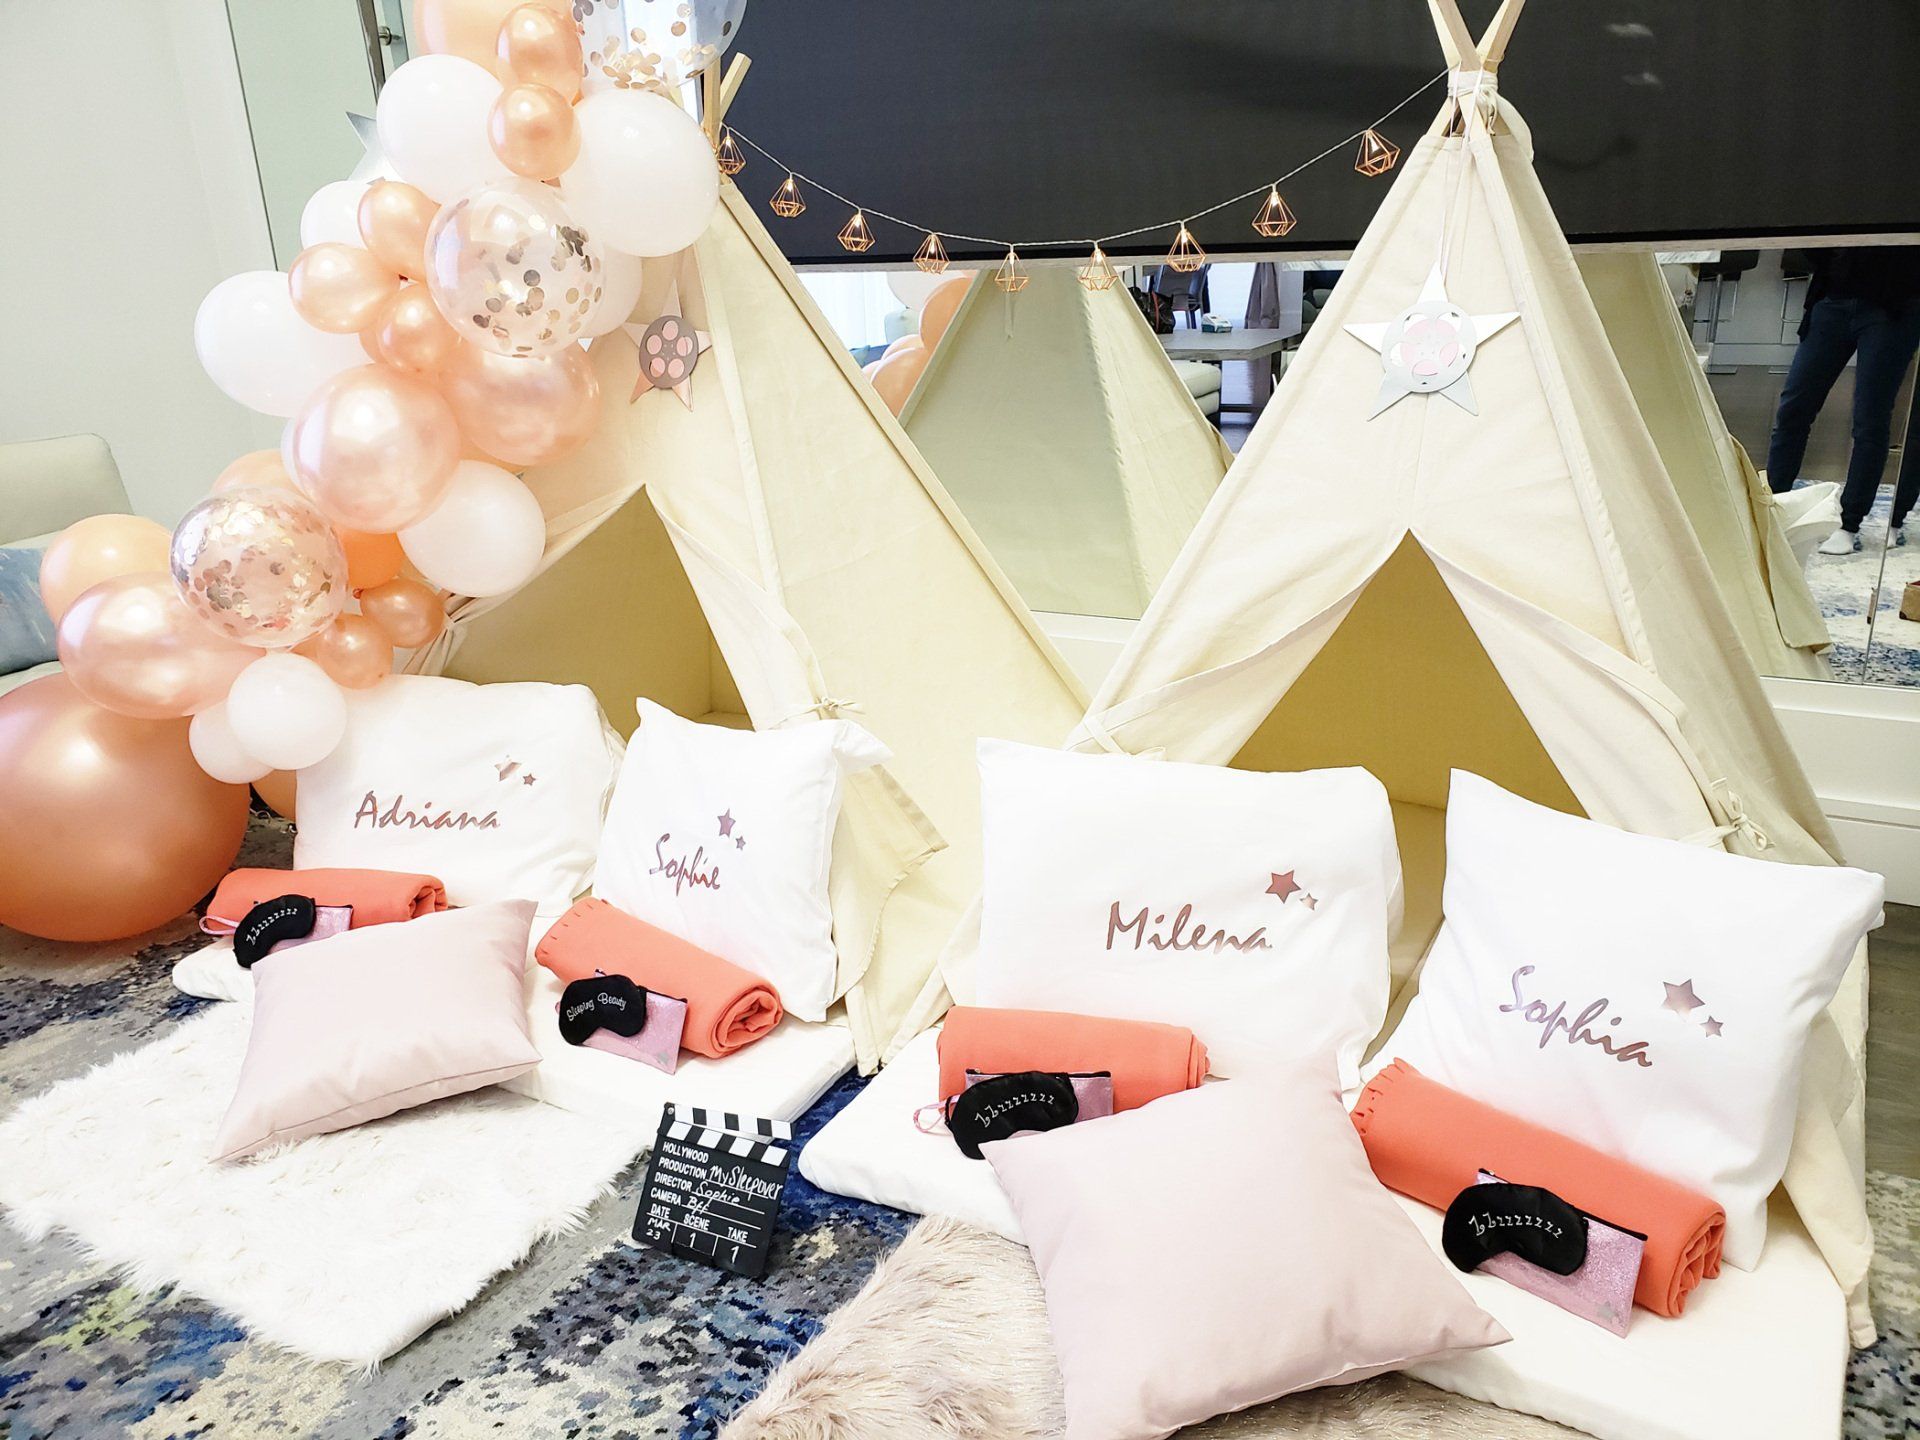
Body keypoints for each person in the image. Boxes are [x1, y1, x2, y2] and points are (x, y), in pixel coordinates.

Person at [1765, 245, 1920, 555]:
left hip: (1893, 302)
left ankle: (1850, 523)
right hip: (1832, 295)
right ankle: (1773, 506)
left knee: (1870, 418)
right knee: (1794, 406)